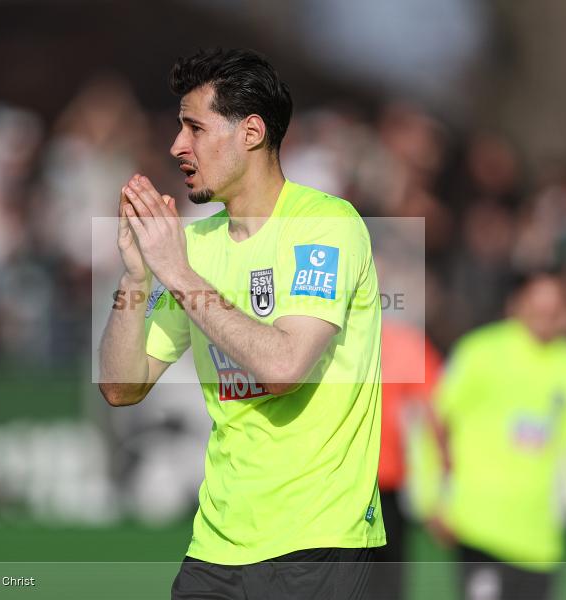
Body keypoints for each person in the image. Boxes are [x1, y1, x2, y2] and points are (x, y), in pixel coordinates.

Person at [98, 48, 384, 600]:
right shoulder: (197, 245)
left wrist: (176, 272)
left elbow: (283, 368)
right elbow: (120, 385)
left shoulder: (326, 225)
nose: (177, 146)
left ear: (250, 133)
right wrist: (136, 277)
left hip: (319, 541)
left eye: (195, 128)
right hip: (217, 543)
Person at [429, 271, 566, 600]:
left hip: (538, 542)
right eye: (536, 305)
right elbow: (434, 420)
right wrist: (432, 497)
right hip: (478, 526)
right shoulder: (480, 352)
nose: (544, 316)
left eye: (554, 308)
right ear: (518, 305)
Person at [367, 317, 446, 600]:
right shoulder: (408, 344)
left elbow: (434, 416)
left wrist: (435, 495)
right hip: (368, 482)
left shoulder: (406, 344)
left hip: (384, 482)